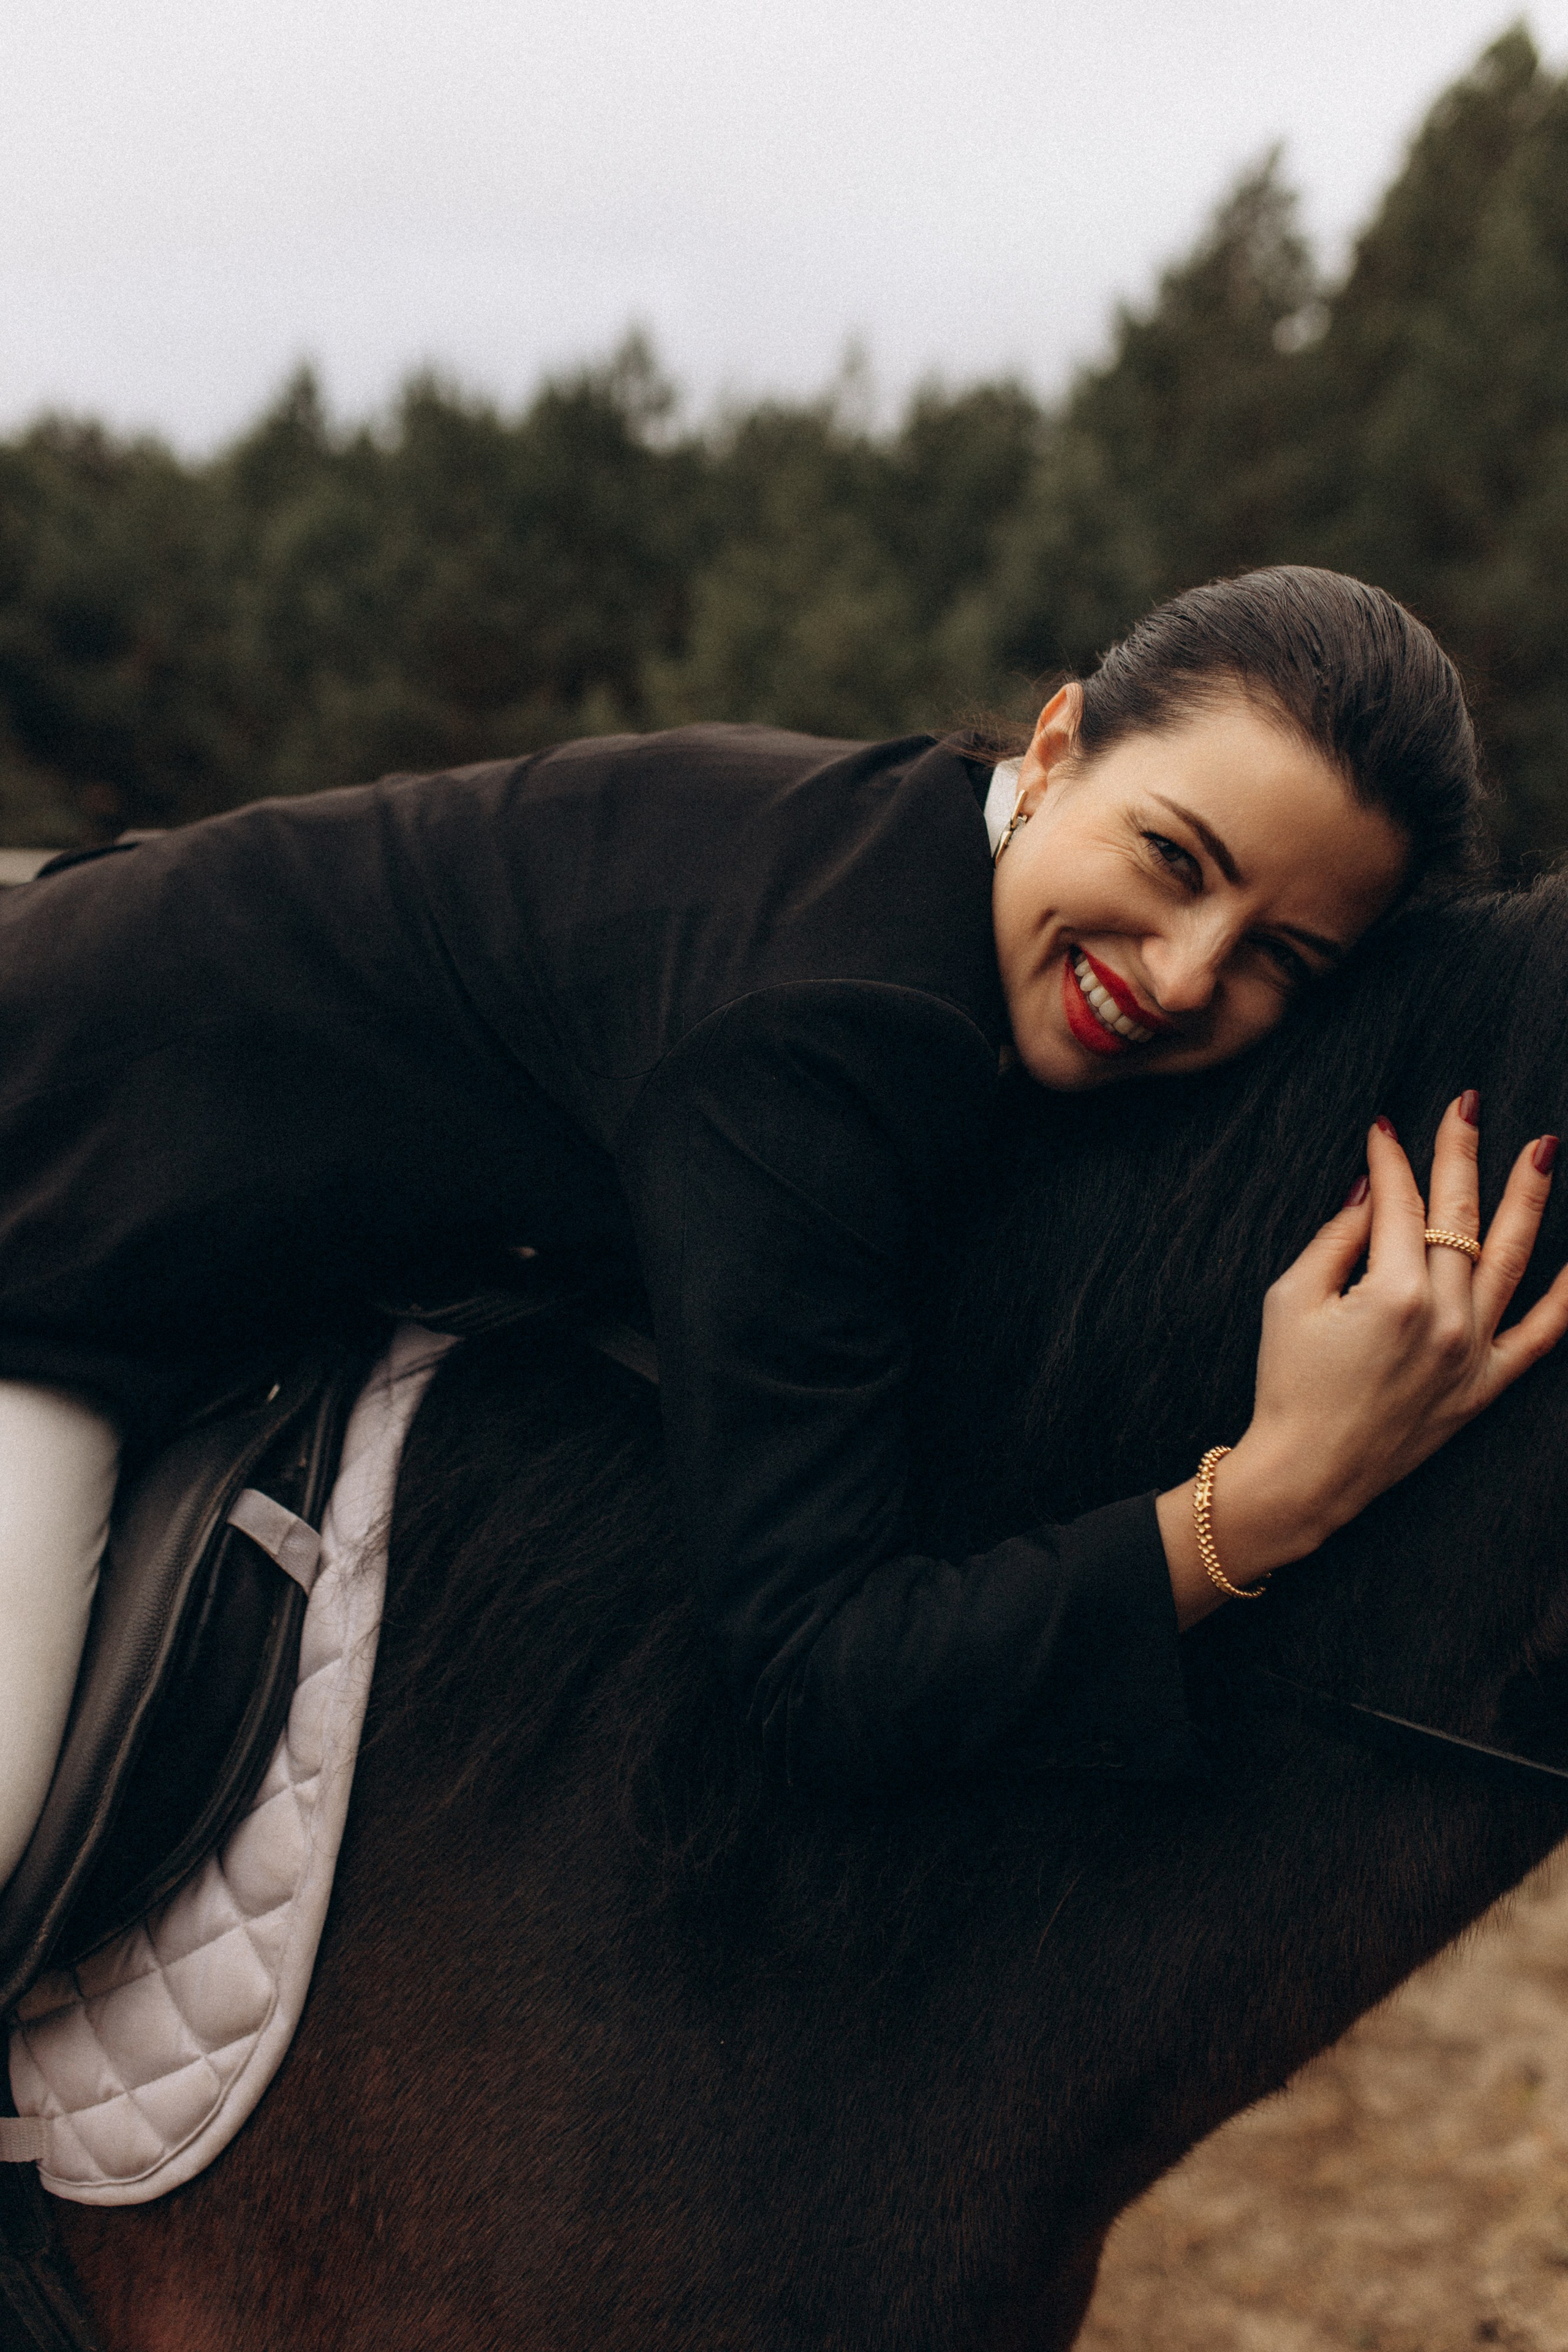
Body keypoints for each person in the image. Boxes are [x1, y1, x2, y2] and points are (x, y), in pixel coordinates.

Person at [1, 563, 1564, 1879]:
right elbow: (817, 1669)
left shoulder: (931, 852)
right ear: (1059, 739)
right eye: (1171, 859)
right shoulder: (827, 1026)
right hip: (55, 1231)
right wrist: (1271, 1497)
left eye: (1278, 958)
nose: (1177, 975)